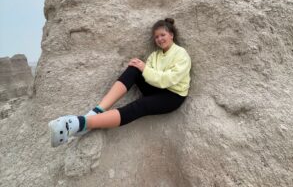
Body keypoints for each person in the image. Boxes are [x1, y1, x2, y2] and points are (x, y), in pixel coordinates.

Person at [48, 18, 192, 147]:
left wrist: (144, 68)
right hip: (156, 88)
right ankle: (97, 111)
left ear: (171, 35)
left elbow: (167, 80)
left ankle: (81, 123)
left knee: (140, 105)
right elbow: (151, 76)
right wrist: (140, 67)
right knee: (134, 68)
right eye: (156, 37)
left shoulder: (181, 54)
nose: (160, 39)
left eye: (163, 35)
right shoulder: (155, 55)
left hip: (172, 96)